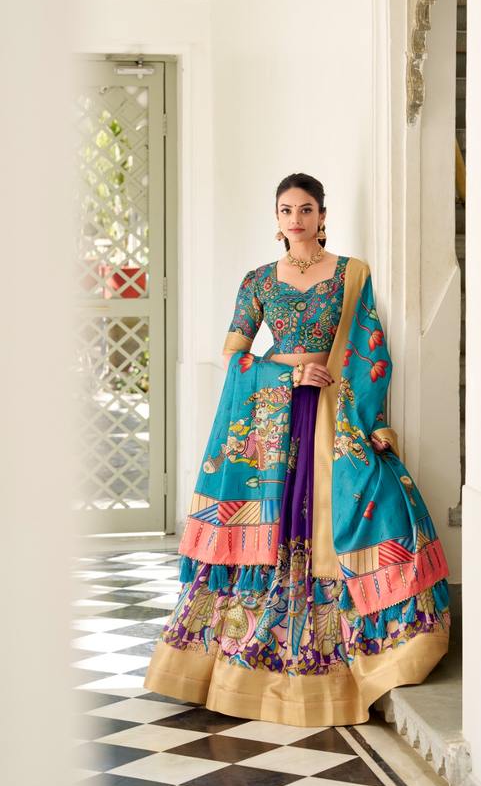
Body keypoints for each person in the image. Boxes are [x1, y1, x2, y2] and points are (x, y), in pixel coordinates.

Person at [143, 172, 451, 726]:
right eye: (286, 210)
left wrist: (372, 418)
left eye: (306, 209)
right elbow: (235, 355)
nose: (296, 219)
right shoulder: (259, 281)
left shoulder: (352, 275)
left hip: (335, 412)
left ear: (323, 216)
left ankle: (374, 648)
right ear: (277, 218)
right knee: (280, 520)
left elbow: (370, 351)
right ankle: (244, 655)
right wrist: (290, 374)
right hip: (273, 420)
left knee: (377, 503)